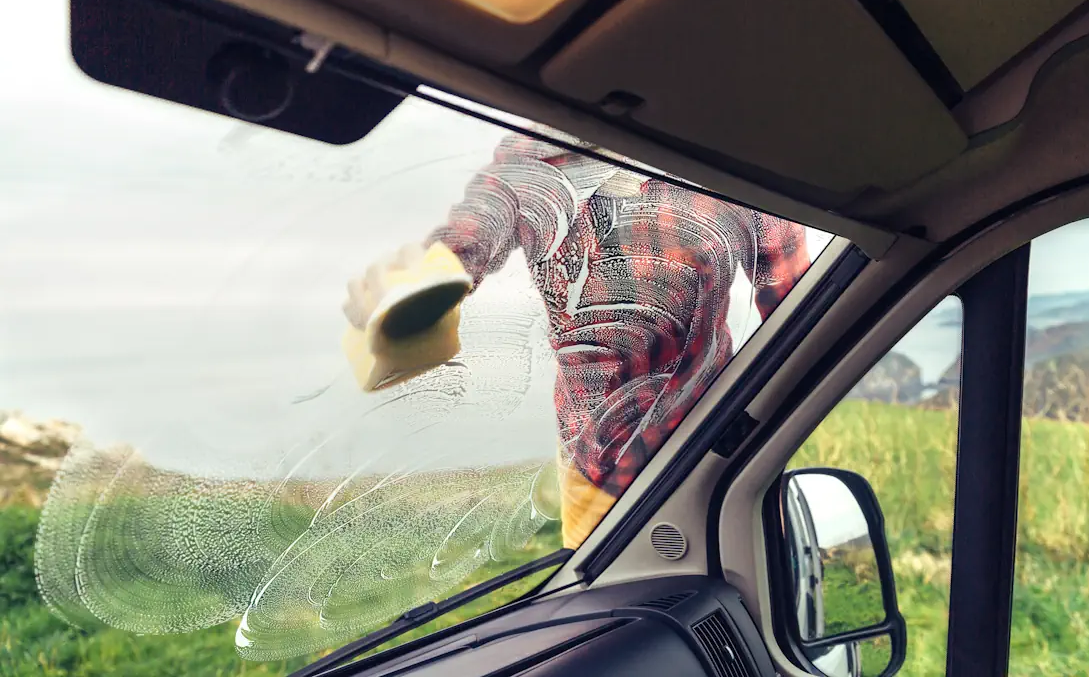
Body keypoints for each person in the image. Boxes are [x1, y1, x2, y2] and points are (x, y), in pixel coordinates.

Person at [343, 126, 812, 549]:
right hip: (588, 469)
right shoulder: (533, 157)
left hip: (712, 453)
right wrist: (412, 290)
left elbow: (800, 320)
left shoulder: (735, 160)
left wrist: (762, 439)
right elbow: (472, 233)